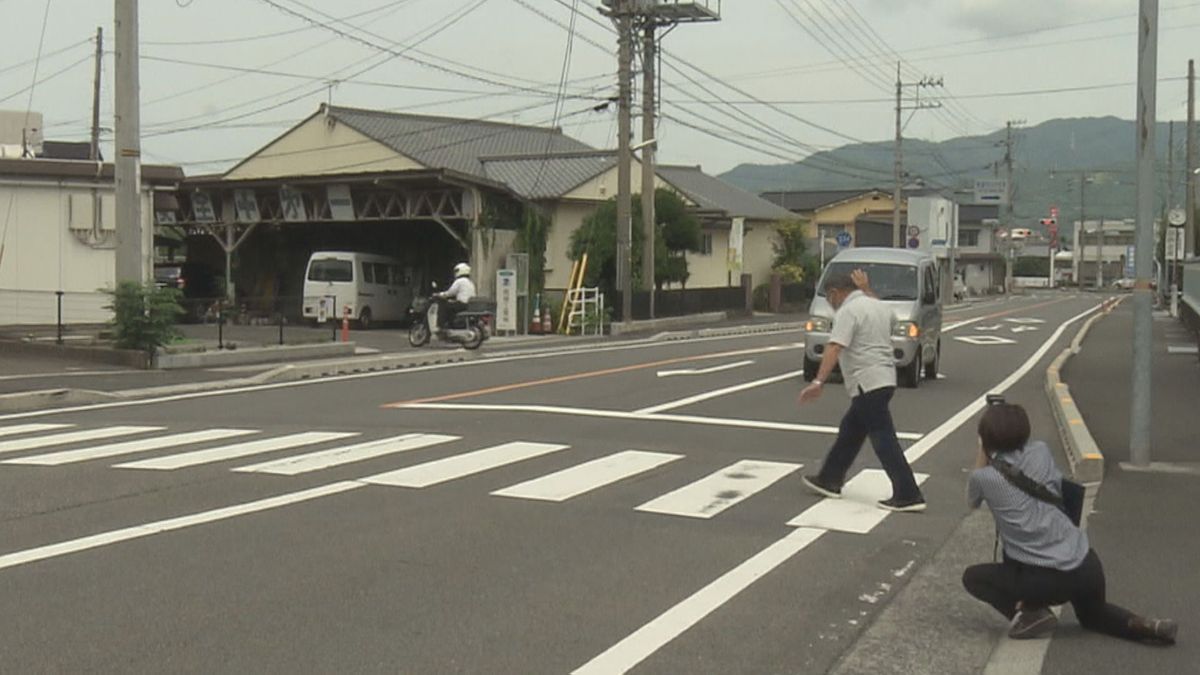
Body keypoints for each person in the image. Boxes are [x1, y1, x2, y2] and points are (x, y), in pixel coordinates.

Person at [962, 401, 1177, 644]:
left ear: (986, 439)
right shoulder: (1041, 451)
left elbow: (972, 502)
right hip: (1086, 564)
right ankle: (1146, 625)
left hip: (1046, 580)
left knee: (973, 578)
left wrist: (983, 452)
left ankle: (1032, 614)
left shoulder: (984, 478)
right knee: (1094, 615)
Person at [798, 270, 926, 512]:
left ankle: (908, 492)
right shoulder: (879, 306)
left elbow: (835, 346)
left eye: (830, 299)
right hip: (886, 378)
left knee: (883, 438)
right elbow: (881, 314)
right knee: (851, 431)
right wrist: (867, 287)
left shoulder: (848, 311)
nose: (831, 305)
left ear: (835, 293)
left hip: (867, 381)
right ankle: (830, 479)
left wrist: (818, 381)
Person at [435, 262, 475, 328]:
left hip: (462, 304)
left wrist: (440, 294)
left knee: (443, 306)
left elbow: (450, 292)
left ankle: (441, 326)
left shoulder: (459, 281)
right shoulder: (470, 282)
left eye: (456, 271)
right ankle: (451, 324)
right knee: (450, 306)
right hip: (468, 304)